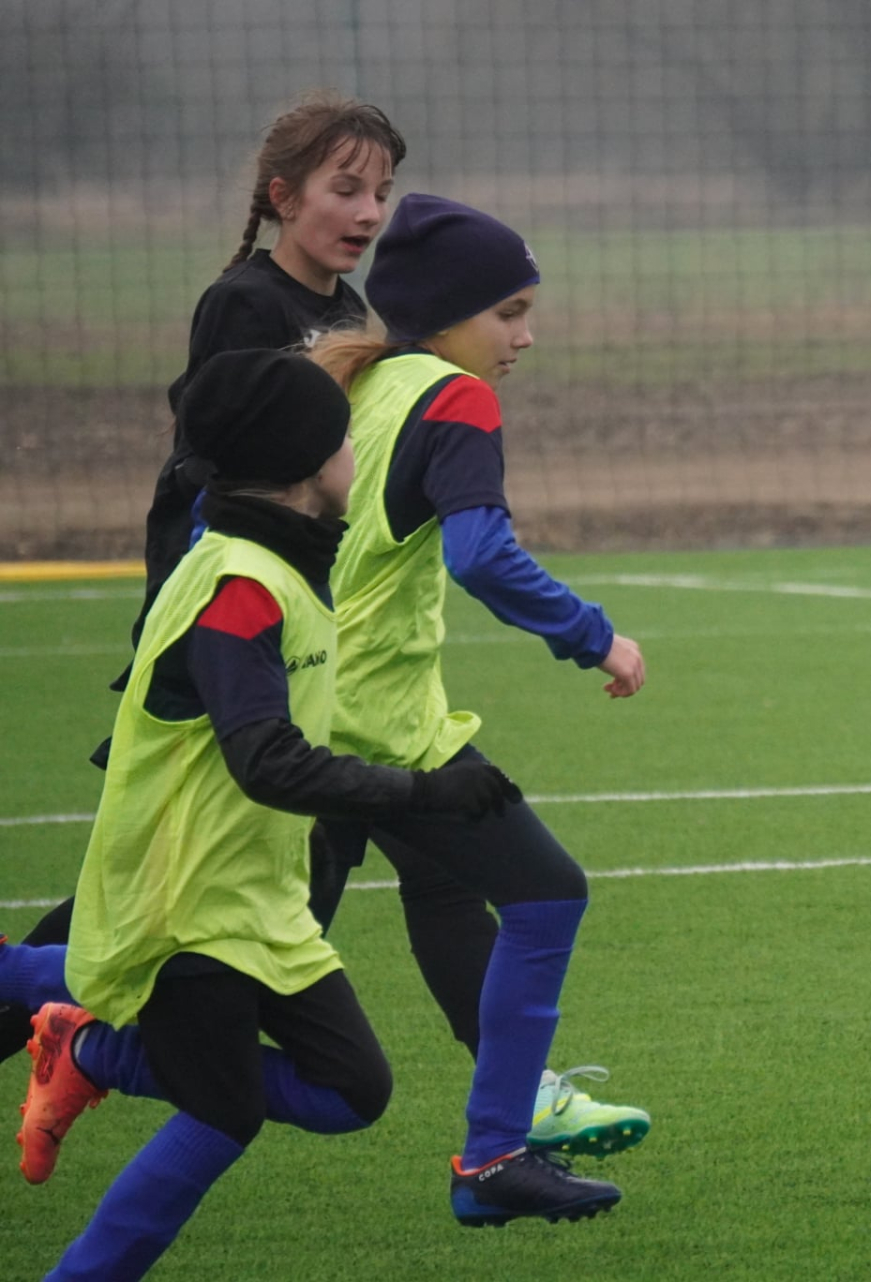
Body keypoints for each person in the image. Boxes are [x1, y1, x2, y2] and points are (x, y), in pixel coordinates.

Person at [18, 349, 544, 1281]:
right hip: (185, 897)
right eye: (346, 439)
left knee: (353, 1092)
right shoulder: (241, 586)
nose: (357, 454)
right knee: (223, 1111)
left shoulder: (285, 559)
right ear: (309, 464)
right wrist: (424, 793)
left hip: (254, 895)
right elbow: (264, 760)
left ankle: (87, 1042)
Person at [0, 89, 406, 1056]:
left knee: (280, 854)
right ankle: (88, 1031)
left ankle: (140, 1048)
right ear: (282, 197)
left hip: (292, 613)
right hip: (224, 612)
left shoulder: (348, 311)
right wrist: (209, 611)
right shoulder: (245, 304)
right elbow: (213, 469)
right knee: (156, 885)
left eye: (382, 193)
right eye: (345, 189)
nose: (368, 213)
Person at [307, 192, 649, 1225]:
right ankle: (497, 1153)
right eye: (510, 313)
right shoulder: (453, 398)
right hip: (375, 730)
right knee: (547, 895)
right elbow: (482, 556)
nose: (524, 337)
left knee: (258, 947)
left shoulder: (359, 384)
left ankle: (506, 1137)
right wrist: (594, 634)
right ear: (449, 316)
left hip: (302, 710)